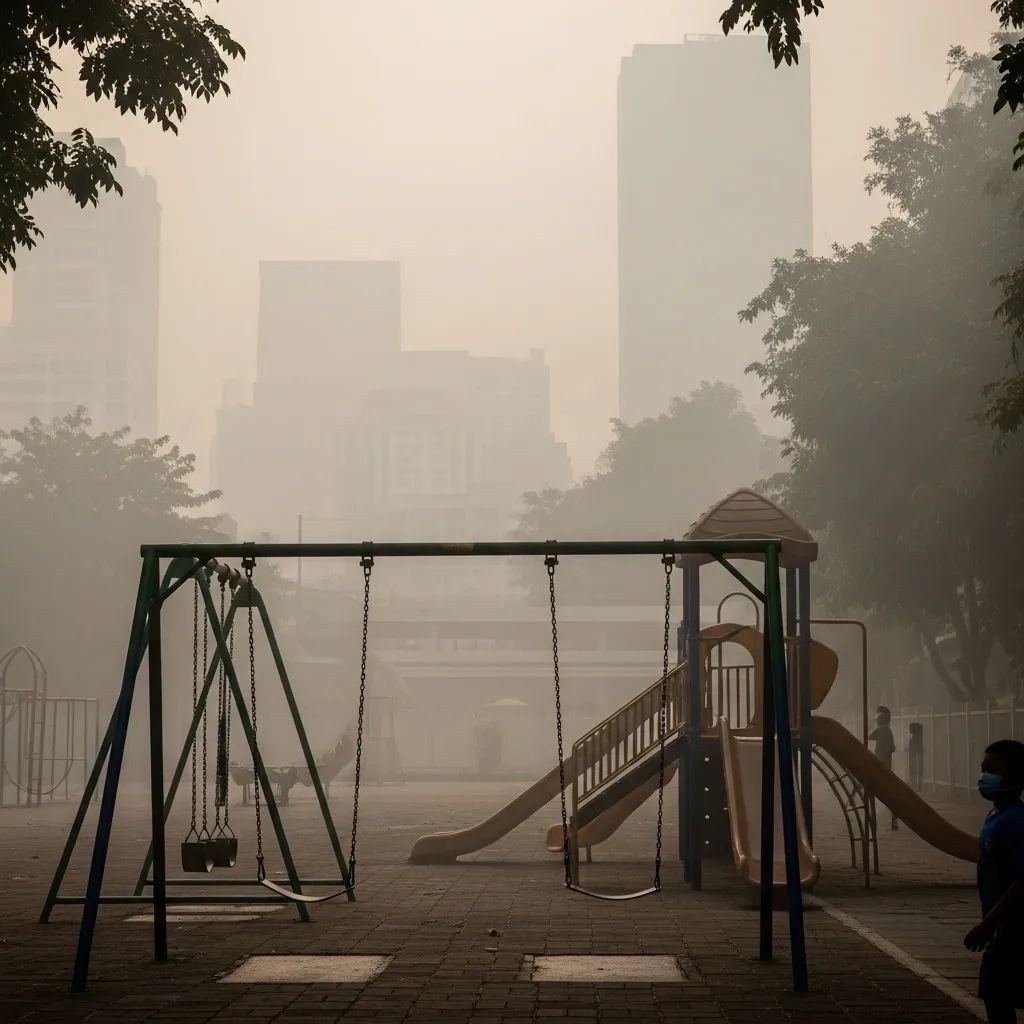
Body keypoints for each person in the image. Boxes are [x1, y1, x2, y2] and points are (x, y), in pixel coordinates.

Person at [964, 739, 1024, 1024]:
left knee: (997, 996)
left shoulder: (1015, 822)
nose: (984, 777)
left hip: (1013, 928)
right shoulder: (995, 815)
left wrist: (988, 925)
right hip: (1001, 928)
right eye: (983, 769)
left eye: (993, 770)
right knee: (996, 996)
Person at [869, 705, 898, 830]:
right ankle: (894, 818)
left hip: (878, 765)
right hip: (886, 766)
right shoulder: (888, 731)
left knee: (869, 786)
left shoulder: (881, 730)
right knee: (889, 793)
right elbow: (893, 748)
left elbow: (869, 736)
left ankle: (872, 818)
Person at [907, 722, 924, 793]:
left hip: (913, 757)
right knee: (919, 772)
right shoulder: (919, 738)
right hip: (919, 757)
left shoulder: (914, 738)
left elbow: (913, 748)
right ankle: (919, 788)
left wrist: (908, 749)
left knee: (913, 773)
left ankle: (914, 789)